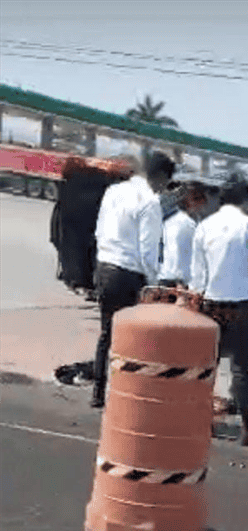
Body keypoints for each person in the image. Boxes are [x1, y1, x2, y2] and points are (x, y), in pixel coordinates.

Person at [189, 178, 248, 447]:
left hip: (209, 305)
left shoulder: (204, 226)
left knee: (207, 367)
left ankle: (202, 423)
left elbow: (197, 276)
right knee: (241, 370)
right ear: (246, 201)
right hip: (240, 307)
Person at [91, 151, 175, 407]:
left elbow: (99, 230)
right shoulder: (150, 202)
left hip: (104, 267)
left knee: (107, 333)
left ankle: (98, 391)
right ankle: (123, 393)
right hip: (128, 274)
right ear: (160, 177)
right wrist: (153, 284)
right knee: (130, 338)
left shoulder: (114, 191)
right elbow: (148, 251)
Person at [158, 181, 219, 287]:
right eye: (199, 198)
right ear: (187, 201)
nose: (204, 202)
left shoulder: (174, 221)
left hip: (168, 280)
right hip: (177, 285)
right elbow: (181, 266)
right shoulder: (185, 224)